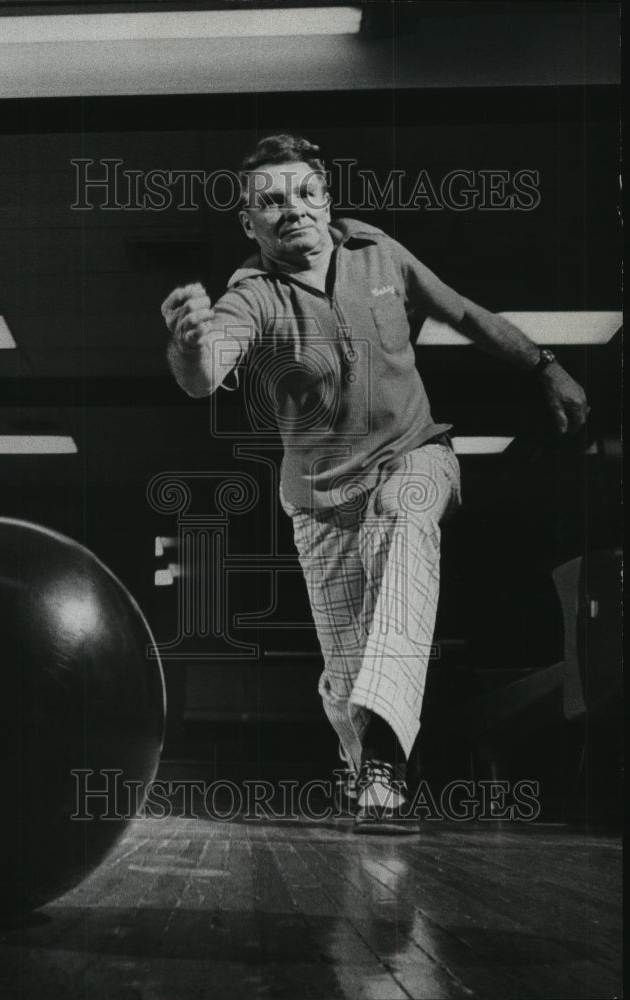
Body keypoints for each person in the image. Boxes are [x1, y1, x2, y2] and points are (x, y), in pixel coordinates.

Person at [161, 135, 588, 832]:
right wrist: (187, 345)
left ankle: (385, 755)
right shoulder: (254, 298)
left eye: (303, 193)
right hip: (321, 504)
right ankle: (364, 766)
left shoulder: (377, 252)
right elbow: (207, 372)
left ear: (325, 198)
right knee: (345, 667)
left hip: (414, 458)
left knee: (401, 515)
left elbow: (466, 314)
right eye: (269, 201)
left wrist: (544, 366)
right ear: (250, 224)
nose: (290, 209)